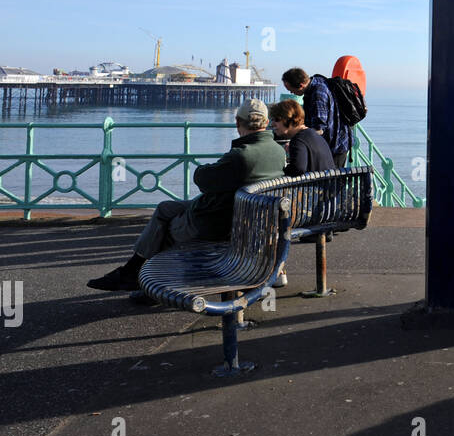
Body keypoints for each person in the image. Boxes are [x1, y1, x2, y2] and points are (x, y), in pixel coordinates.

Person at [86, 99, 286, 293]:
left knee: (162, 227)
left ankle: (147, 281)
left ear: (237, 122)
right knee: (165, 208)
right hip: (245, 219)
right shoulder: (278, 152)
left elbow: (202, 180)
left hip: (214, 223)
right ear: (266, 122)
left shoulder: (241, 155)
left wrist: (208, 169)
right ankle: (137, 275)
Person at [267, 99, 336, 287]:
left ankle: (273, 273)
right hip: (330, 203)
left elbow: (298, 169)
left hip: (314, 207)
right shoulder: (313, 135)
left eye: (276, 120)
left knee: (267, 218)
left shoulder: (298, 140)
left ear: (289, 121)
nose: (272, 124)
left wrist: (281, 168)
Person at [282, 67, 352, 168]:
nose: (291, 93)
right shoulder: (317, 82)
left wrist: (298, 141)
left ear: (301, 85)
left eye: (291, 90)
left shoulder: (318, 94)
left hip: (335, 145)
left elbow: (319, 128)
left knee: (332, 180)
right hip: (336, 141)